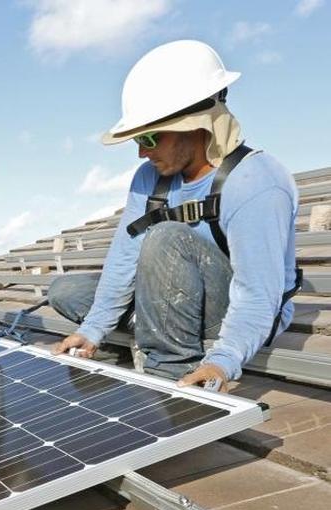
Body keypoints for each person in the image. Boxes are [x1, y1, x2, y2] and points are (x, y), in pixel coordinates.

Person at [51, 40, 299, 390]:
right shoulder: (149, 178)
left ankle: (168, 373)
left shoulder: (255, 182)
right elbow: (124, 256)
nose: (140, 152)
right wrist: (91, 331)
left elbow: (258, 293)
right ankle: (162, 327)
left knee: (165, 238)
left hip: (235, 307)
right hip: (178, 292)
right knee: (65, 290)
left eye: (149, 137)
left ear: (196, 125)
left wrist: (223, 361)